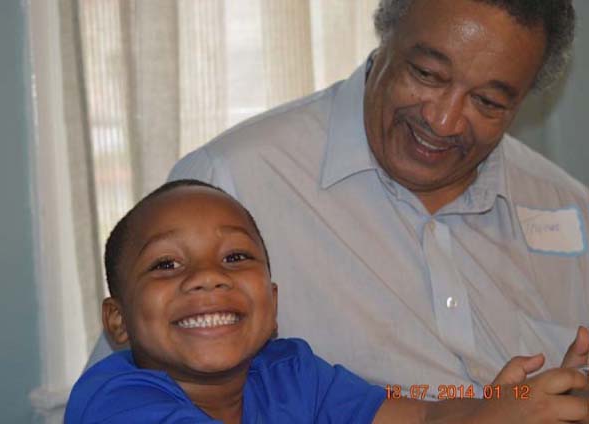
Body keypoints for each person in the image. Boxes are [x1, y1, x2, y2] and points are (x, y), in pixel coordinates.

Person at [167, 0, 589, 395]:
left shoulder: (569, 205)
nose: (444, 121)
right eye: (426, 74)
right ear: (386, 33)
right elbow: (153, 400)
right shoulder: (232, 183)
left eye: (487, 101)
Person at [66, 180, 588, 423]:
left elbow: (423, 418)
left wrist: (514, 405)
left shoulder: (291, 374)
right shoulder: (117, 402)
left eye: (235, 257)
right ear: (118, 320)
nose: (207, 277)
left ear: (272, 305)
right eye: (166, 264)